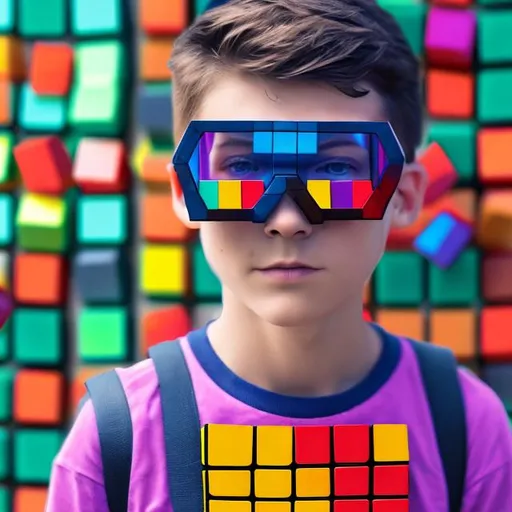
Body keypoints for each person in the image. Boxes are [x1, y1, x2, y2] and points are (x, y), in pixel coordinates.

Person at [46, 0, 512, 510]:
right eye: (242, 165)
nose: (288, 219)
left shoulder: (467, 428)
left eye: (335, 170)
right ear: (184, 191)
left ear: (403, 194)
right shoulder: (119, 438)